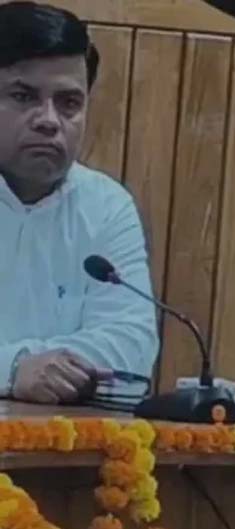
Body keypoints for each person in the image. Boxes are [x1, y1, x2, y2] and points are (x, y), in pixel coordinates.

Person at [0, 2, 158, 404]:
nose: (49, 120)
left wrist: (42, 369)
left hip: (65, 436)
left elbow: (131, 344)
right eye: (23, 96)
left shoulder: (106, 205)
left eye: (69, 102)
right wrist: (13, 369)